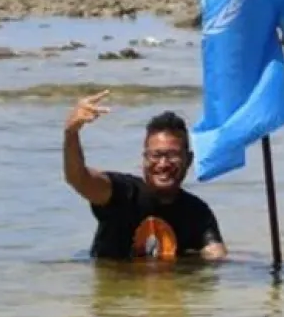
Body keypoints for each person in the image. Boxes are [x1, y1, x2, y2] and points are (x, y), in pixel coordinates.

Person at [63, 91, 227, 262]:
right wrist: (71, 133)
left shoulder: (197, 213)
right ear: (145, 158)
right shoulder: (121, 194)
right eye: (156, 155)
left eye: (172, 155)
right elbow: (78, 178)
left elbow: (216, 257)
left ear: (189, 160)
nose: (163, 164)